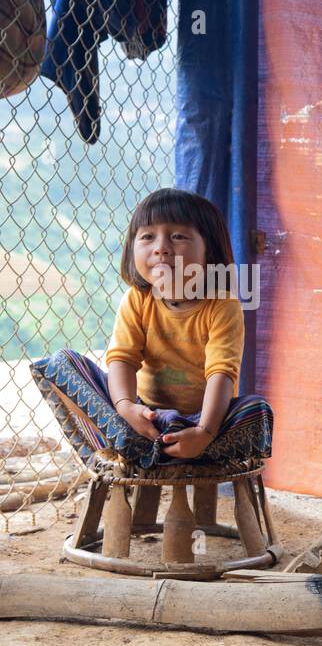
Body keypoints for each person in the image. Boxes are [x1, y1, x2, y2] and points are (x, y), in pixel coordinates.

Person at [32, 188, 272, 469]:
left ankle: (159, 450)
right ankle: (131, 442)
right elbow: (122, 359)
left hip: (202, 421)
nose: (161, 247)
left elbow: (222, 373)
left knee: (257, 410)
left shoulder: (222, 304)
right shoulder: (137, 299)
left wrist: (204, 432)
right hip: (145, 418)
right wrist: (126, 407)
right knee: (61, 364)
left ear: (210, 250)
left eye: (178, 236)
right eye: (147, 237)